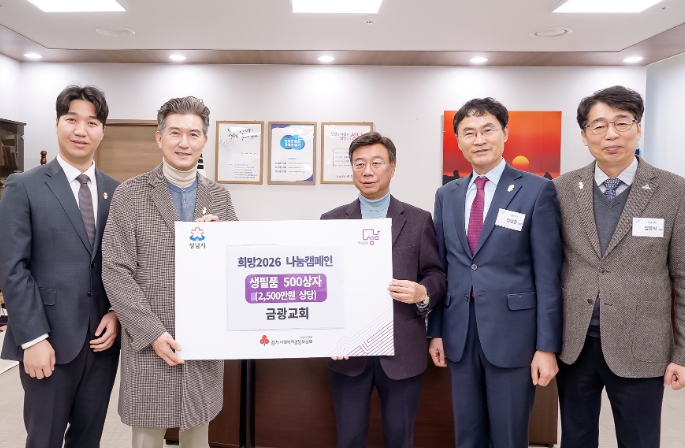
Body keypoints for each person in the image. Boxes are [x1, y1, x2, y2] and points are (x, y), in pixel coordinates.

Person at [102, 96, 238, 447]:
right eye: (175, 133)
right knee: (146, 436)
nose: (184, 142)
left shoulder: (220, 197)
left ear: (204, 140)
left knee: (198, 435)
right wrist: (151, 332)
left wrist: (222, 241)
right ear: (159, 137)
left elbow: (235, 267)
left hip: (203, 339)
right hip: (149, 339)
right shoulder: (129, 194)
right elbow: (116, 270)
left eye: (193, 134)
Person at [553, 85, 685, 448]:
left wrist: (682, 354)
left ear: (638, 128)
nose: (611, 134)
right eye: (598, 126)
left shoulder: (674, 191)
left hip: (641, 343)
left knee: (639, 440)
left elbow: (683, 277)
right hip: (574, 343)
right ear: (584, 136)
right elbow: (550, 268)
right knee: (576, 438)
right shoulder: (562, 189)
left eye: (621, 123)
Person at [428, 97, 563, 448]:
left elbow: (548, 275)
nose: (479, 139)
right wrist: (436, 331)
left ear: (504, 133)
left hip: (514, 334)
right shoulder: (447, 195)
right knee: (467, 435)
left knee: (508, 435)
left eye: (488, 130)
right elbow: (442, 268)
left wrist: (546, 347)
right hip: (460, 332)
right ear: (458, 141)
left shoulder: (537, 190)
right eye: (469, 132)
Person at [0, 85, 120, 448]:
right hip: (47, 339)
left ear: (102, 131)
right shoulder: (24, 186)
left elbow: (123, 264)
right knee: (44, 439)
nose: (81, 130)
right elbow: (12, 267)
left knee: (88, 439)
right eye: (72, 120)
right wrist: (33, 339)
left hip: (101, 343)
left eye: (92, 122)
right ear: (57, 124)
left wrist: (115, 312)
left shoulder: (116, 191)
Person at [320, 132, 446, 448]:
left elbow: (436, 274)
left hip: (402, 349)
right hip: (348, 351)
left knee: (400, 439)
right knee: (349, 439)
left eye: (377, 163)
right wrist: (329, 333)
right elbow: (321, 284)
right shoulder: (330, 221)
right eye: (359, 164)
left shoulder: (418, 220)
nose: (367, 171)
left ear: (392, 167)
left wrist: (422, 293)